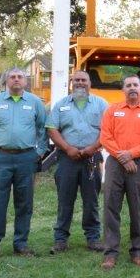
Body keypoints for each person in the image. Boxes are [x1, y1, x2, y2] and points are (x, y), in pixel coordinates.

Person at [0, 67, 48, 259]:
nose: (16, 80)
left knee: (24, 203)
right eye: (12, 77)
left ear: (26, 81)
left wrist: (39, 152)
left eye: (20, 77)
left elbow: (43, 128)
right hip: (0, 158)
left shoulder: (34, 102)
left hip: (26, 159)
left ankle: (21, 244)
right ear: (6, 81)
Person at [99, 75, 140, 269]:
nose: (132, 88)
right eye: (128, 85)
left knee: (138, 208)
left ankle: (138, 250)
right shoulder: (112, 110)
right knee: (111, 207)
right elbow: (105, 137)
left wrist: (132, 154)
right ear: (123, 89)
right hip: (115, 166)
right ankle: (110, 252)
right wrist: (122, 158)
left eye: (135, 85)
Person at [47, 70, 109, 254]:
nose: (80, 83)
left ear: (90, 83)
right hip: (67, 158)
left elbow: (109, 130)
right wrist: (67, 148)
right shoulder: (61, 105)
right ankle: (60, 240)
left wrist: (93, 147)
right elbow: (52, 129)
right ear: (71, 83)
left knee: (91, 201)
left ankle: (93, 238)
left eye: (84, 80)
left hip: (91, 158)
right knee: (65, 200)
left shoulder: (101, 104)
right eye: (77, 80)